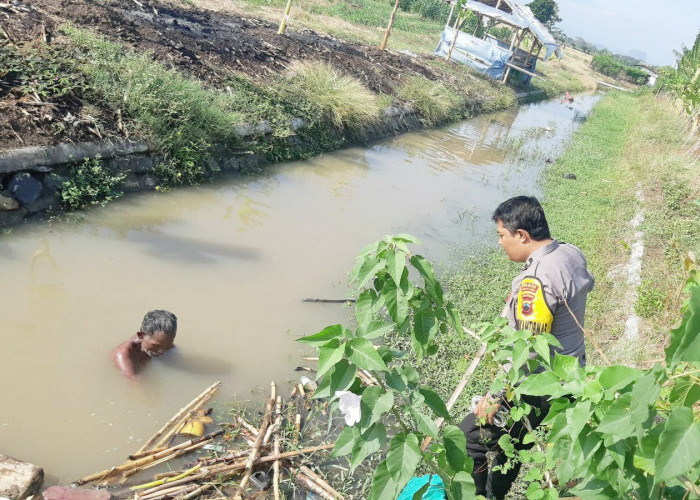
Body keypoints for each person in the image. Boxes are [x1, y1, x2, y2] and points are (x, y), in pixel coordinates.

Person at [459, 196, 594, 499]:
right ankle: (496, 493)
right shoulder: (570, 253)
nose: (500, 243)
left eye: (501, 235)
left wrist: (495, 397)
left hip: (537, 386)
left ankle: (481, 495)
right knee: (516, 441)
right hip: (570, 375)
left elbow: (529, 349)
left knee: (468, 437)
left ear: (521, 235)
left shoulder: (535, 280)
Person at [112, 310, 177, 379]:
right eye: (156, 345)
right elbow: (135, 382)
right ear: (141, 336)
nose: (161, 351)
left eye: (167, 345)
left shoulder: (163, 343)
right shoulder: (123, 355)